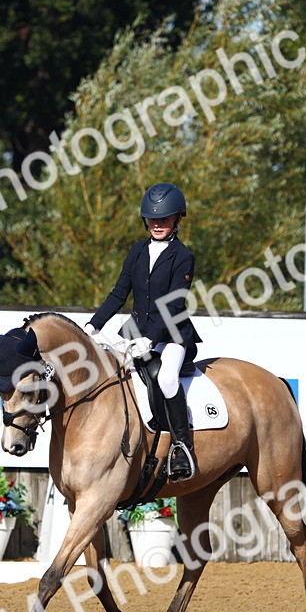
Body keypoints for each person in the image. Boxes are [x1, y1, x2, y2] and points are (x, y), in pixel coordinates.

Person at [85, 183, 202, 481]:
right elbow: (118, 293)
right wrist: (94, 324)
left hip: (172, 333)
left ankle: (181, 446)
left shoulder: (183, 256)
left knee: (165, 377)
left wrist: (152, 338)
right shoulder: (137, 251)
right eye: (152, 219)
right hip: (135, 331)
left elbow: (174, 303)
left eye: (164, 219)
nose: (157, 224)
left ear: (177, 220)